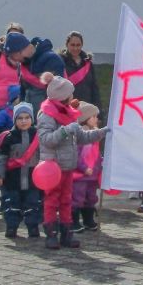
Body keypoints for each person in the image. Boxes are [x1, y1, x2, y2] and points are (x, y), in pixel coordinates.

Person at [37, 78, 107, 249]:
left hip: (68, 165)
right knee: (52, 200)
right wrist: (65, 130)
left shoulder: (69, 113)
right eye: (70, 93)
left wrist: (103, 132)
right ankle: (51, 234)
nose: (72, 96)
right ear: (62, 96)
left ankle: (67, 233)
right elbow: (46, 140)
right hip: (53, 167)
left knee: (66, 200)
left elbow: (82, 137)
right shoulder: (46, 114)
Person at [0, 103, 43, 239]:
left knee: (33, 204)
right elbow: (1, 158)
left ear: (32, 119)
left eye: (27, 117)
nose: (23, 121)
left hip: (32, 178)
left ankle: (33, 227)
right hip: (13, 179)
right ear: (15, 120)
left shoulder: (37, 136)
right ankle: (11, 226)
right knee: (12, 204)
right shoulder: (9, 137)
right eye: (20, 118)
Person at [71, 101, 102, 233]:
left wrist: (100, 166)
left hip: (92, 176)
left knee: (91, 198)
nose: (96, 119)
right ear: (84, 119)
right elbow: (76, 156)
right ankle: (73, 221)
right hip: (80, 176)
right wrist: (84, 168)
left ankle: (88, 219)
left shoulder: (95, 134)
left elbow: (96, 155)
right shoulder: (79, 136)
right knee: (77, 198)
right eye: (93, 117)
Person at [61, 32, 100, 106]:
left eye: (78, 45)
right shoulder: (61, 62)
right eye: (72, 45)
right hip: (68, 107)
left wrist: (98, 109)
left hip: (86, 106)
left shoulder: (87, 63)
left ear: (82, 45)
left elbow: (94, 88)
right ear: (67, 45)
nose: (75, 48)